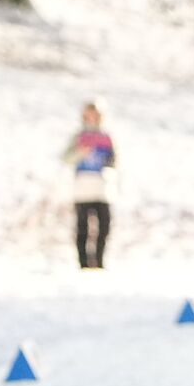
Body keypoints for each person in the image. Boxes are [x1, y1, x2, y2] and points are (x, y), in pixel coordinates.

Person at [62, 101, 116, 269]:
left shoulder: (107, 137)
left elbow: (116, 160)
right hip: (82, 187)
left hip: (102, 187)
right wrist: (81, 153)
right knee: (83, 227)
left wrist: (109, 164)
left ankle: (99, 261)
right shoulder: (78, 136)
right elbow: (66, 158)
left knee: (104, 226)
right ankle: (83, 263)